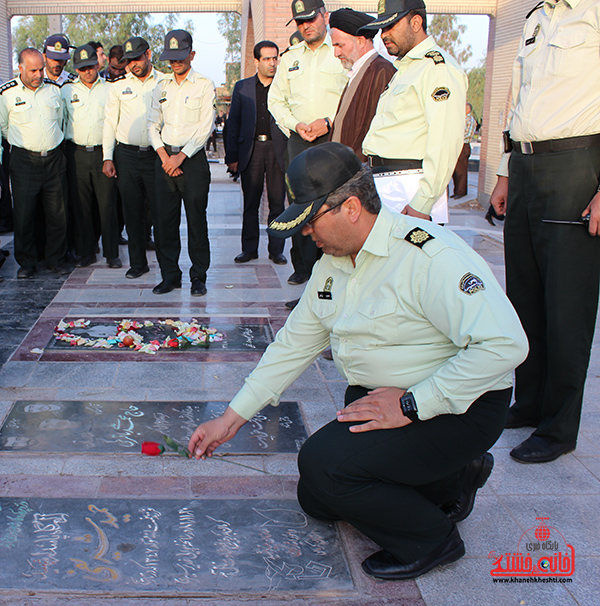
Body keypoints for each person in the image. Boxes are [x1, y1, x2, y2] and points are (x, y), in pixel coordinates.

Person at [188, 142, 528, 580]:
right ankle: (452, 479)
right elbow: (294, 344)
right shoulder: (334, 262)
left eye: (312, 220)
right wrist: (231, 418)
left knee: (323, 465)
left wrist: (412, 404)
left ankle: (433, 538)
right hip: (385, 398)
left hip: (457, 405)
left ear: (350, 207)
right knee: (317, 497)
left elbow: (506, 346)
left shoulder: (430, 257)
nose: (307, 233)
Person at [490, 0, 600, 464]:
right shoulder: (536, 16)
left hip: (575, 164)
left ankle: (558, 427)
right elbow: (522, 97)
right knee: (526, 298)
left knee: (566, 307)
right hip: (526, 165)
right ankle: (530, 401)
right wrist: (504, 170)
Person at [361, 0, 467, 225]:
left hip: (409, 189)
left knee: (407, 259)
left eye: (391, 27)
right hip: (386, 184)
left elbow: (445, 141)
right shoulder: (406, 68)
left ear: (416, 22)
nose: (383, 35)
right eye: (382, 29)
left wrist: (423, 202)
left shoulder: (438, 69)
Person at [268, 0, 346, 287]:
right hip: (298, 142)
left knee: (334, 205)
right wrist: (294, 124)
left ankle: (334, 268)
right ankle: (303, 268)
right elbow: (275, 101)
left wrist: (328, 121)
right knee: (299, 204)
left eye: (310, 19)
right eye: (299, 22)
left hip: (333, 141)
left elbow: (350, 96)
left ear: (324, 16)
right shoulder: (289, 58)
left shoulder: (339, 51)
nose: (305, 26)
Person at [148, 30, 215, 297]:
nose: (175, 63)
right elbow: (153, 125)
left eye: (180, 57)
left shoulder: (203, 84)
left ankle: (198, 276)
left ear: (192, 54)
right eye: (171, 59)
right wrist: (165, 157)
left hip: (193, 161)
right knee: (164, 222)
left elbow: (204, 126)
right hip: (164, 161)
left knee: (197, 221)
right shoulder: (161, 86)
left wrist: (181, 156)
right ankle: (170, 276)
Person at [0, 48, 69, 278]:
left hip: (53, 159)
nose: (39, 74)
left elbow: (61, 121)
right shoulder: (7, 94)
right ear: (20, 68)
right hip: (23, 161)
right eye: (33, 70)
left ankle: (56, 259)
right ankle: (27, 262)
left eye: (41, 69)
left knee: (57, 214)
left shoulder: (54, 90)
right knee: (24, 214)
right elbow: (4, 127)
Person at [103, 36, 166, 280]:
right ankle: (138, 264)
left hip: (156, 155)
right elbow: (110, 122)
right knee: (132, 212)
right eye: (129, 61)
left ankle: (166, 266)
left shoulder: (164, 81)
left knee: (160, 213)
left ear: (148, 54)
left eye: (137, 59)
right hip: (126, 156)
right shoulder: (118, 86)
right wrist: (107, 157)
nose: (133, 65)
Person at [226, 40, 288, 266]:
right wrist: (231, 157)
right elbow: (233, 123)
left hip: (277, 148)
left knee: (277, 204)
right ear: (256, 61)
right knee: (251, 203)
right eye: (267, 59)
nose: (273, 64)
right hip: (251, 149)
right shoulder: (242, 88)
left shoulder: (284, 86)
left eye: (275, 58)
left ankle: (277, 249)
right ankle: (249, 249)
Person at [62, 44, 121, 269]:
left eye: (90, 66)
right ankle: (86, 252)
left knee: (107, 205)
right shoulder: (67, 90)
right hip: (76, 153)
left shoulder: (109, 89)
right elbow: (62, 121)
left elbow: (113, 123)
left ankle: (112, 253)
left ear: (97, 64)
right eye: (82, 68)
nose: (87, 72)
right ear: (76, 69)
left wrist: (110, 156)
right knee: (81, 206)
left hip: (102, 154)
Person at [328, 8, 396, 162]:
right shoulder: (357, 72)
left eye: (340, 45)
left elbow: (373, 132)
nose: (336, 53)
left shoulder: (381, 71)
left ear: (360, 40)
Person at [450, 102, 478, 199]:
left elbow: (467, 134)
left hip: (463, 145)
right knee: (455, 169)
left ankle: (461, 192)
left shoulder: (470, 120)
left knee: (461, 170)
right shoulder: (461, 119)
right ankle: (456, 190)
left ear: (468, 109)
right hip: (457, 145)